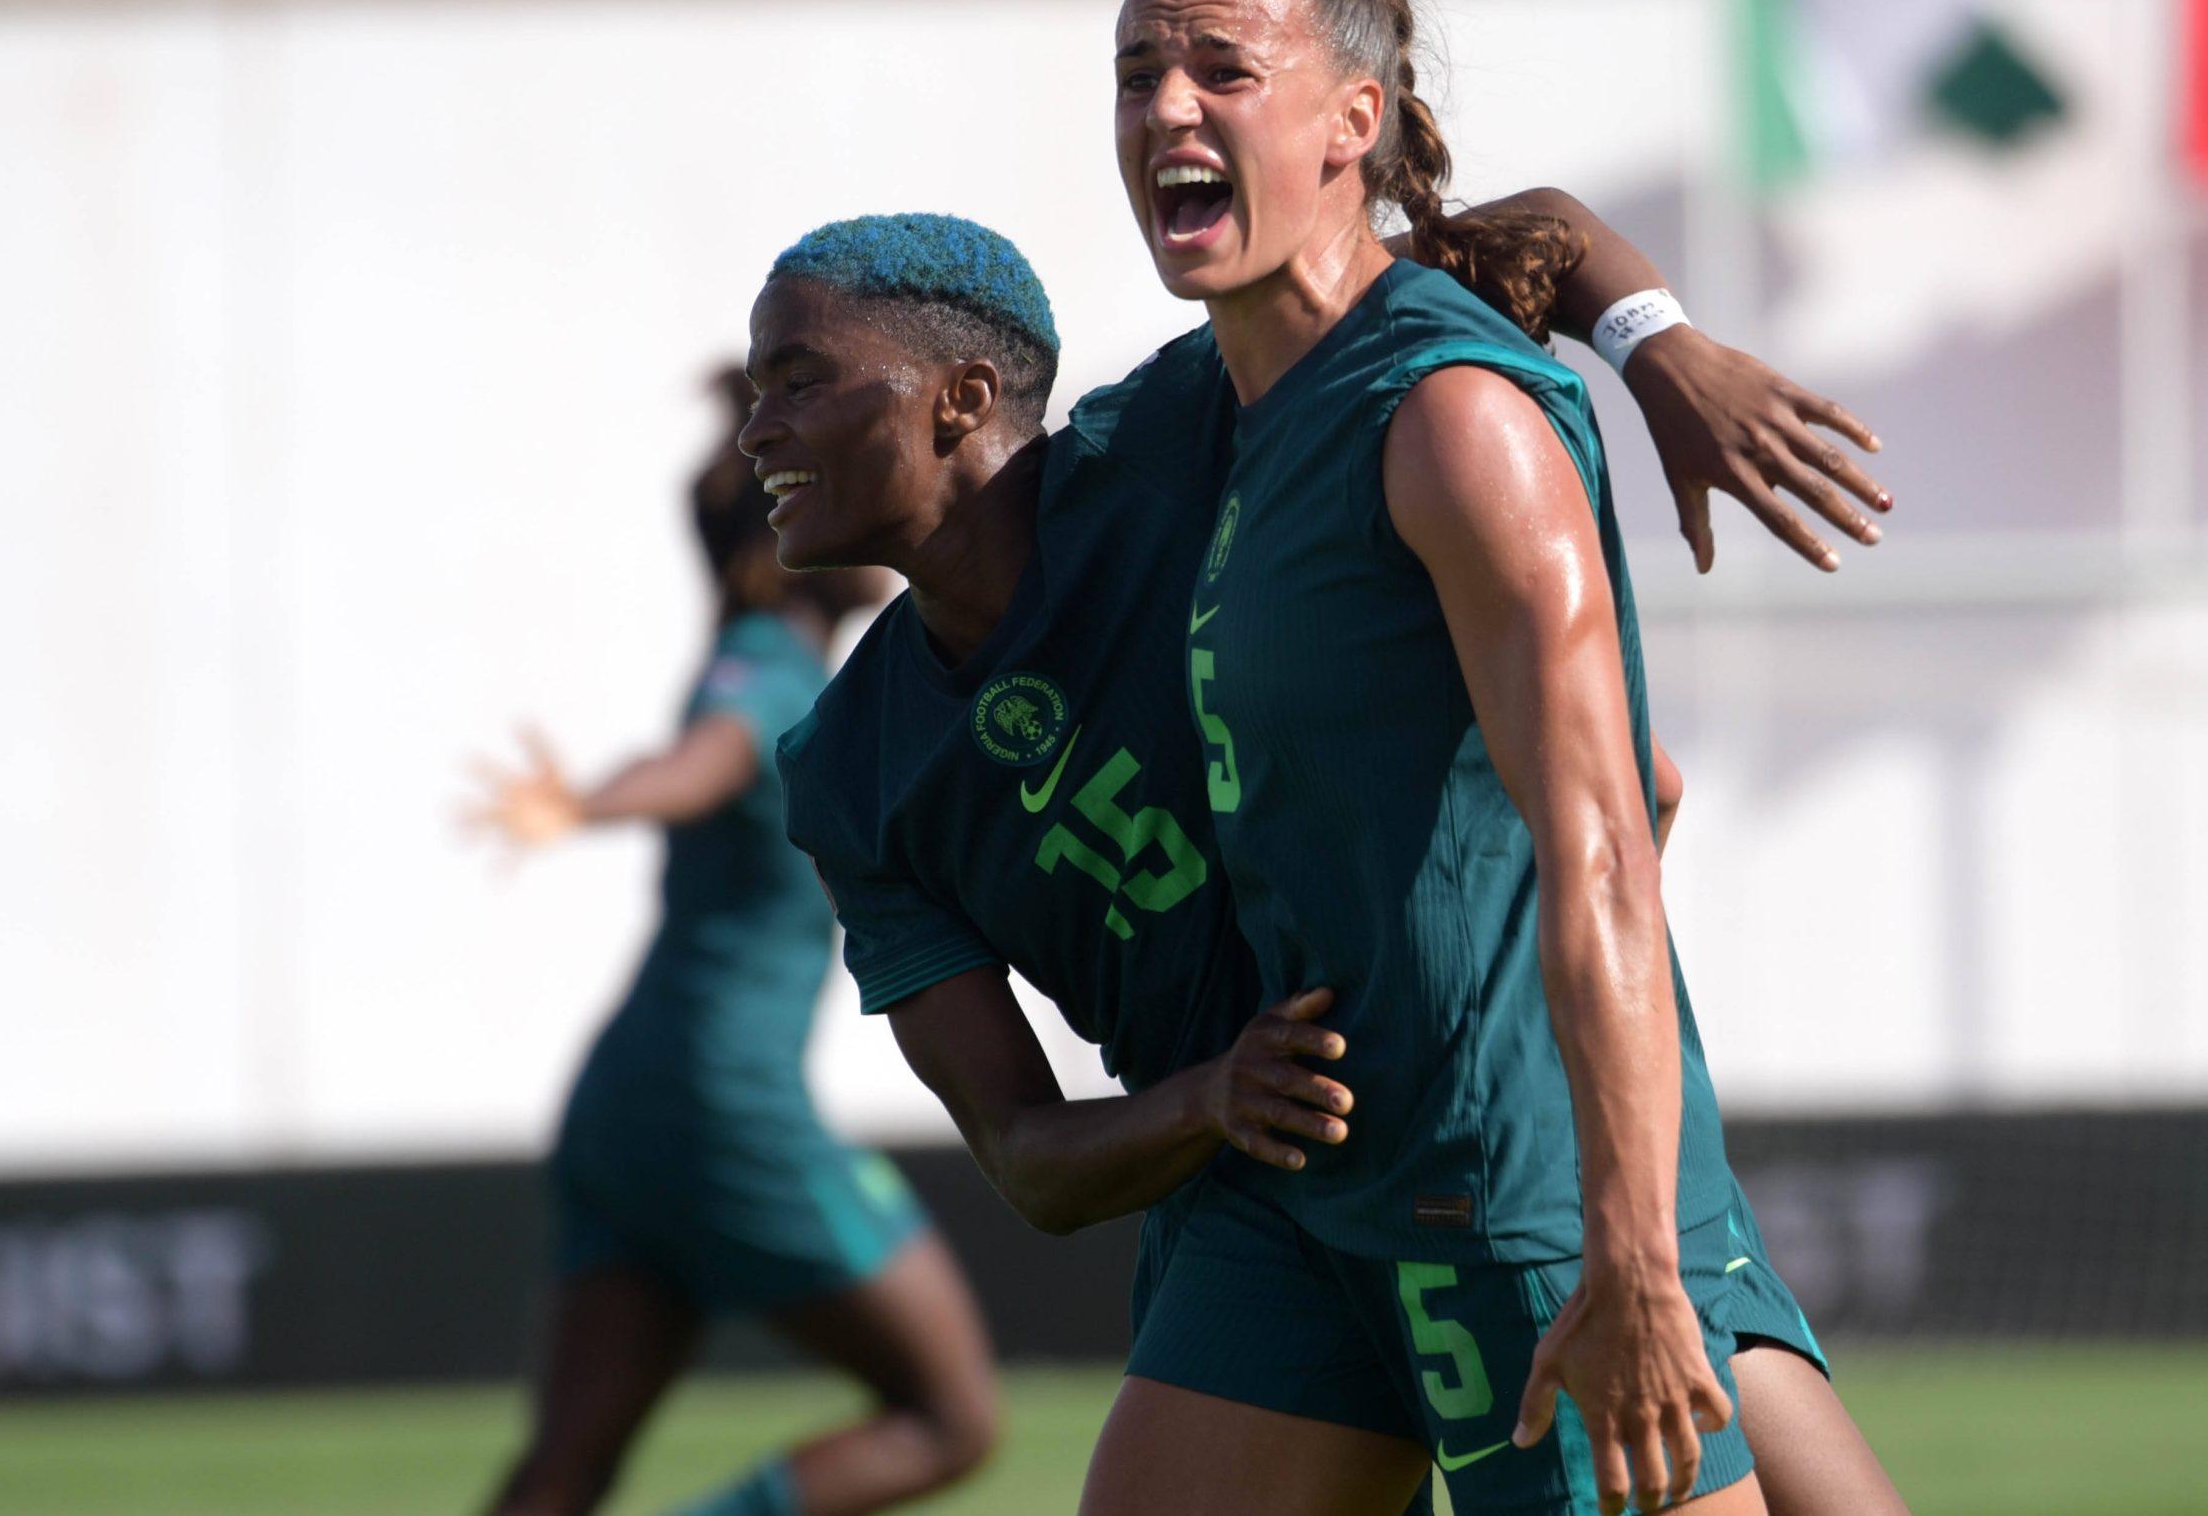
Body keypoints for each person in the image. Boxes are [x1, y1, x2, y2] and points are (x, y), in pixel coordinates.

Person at [758, 200, 1892, 1512]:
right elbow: (1025, 1152)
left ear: (960, 399)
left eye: (799, 381)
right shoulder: (846, 769)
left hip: (1489, 1128)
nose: (757, 430)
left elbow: (1530, 238)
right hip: (1259, 1196)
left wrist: (1660, 351)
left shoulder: (1185, 427)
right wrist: (1213, 1097)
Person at [1098, 0, 1911, 1516]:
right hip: (1315, 1170)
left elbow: (1606, 841)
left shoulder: (1450, 418)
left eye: (1220, 71)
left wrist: (1630, 1256)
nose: (1168, 108)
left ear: (1353, 122)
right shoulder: (1220, 402)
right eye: (1136, 76)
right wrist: (1649, 336)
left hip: (1503, 1190)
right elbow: (1537, 229)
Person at [466, 379, 998, 1516]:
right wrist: (586, 805)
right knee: (952, 1419)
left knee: (565, 1464)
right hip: (720, 1102)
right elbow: (708, 758)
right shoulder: (767, 659)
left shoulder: (778, 662)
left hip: (627, 1103)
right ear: (785, 534)